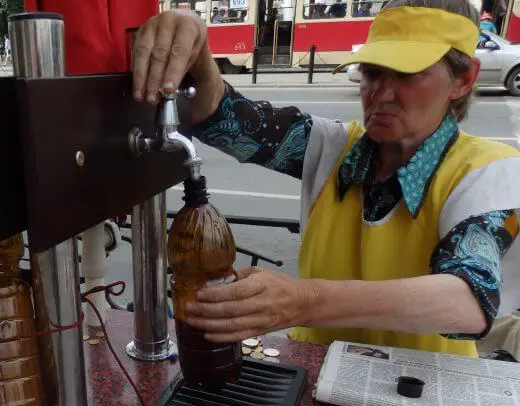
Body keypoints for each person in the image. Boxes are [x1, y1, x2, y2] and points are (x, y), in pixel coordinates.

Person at [131, 0, 520, 357]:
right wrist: (194, 37)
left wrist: (304, 300)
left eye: (408, 74)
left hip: (419, 395)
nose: (381, 93)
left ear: (464, 79)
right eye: (372, 72)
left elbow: (468, 301)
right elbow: (219, 115)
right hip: (312, 378)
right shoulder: (331, 145)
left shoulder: (489, 169)